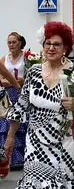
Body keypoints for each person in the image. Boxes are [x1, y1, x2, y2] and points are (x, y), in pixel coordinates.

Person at [4, 21, 74, 188]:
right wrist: (10, 137)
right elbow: (21, 106)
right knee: (35, 182)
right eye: (48, 43)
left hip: (65, 141)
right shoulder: (34, 72)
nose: (51, 48)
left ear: (65, 48)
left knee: (61, 182)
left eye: (57, 44)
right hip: (35, 140)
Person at [0, 32, 27, 168]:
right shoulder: (4, 59)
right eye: (9, 42)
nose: (11, 45)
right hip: (7, 95)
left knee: (21, 124)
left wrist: (22, 82)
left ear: (19, 43)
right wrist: (11, 83)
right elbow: (1, 79)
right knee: (6, 125)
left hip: (22, 93)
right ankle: (8, 158)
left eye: (13, 42)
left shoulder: (27, 58)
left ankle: (22, 157)